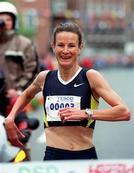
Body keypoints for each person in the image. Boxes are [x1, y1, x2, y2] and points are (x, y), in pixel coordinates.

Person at [4, 22, 130, 160]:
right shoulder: (44, 78)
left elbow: (124, 112)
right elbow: (26, 95)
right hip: (53, 157)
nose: (65, 51)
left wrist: (85, 113)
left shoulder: (90, 77)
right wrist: (11, 116)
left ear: (80, 47)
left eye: (71, 46)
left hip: (84, 156)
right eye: (60, 45)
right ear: (53, 46)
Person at [0, 1, 39, 100]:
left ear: (14, 21)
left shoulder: (24, 44)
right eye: (1, 20)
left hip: (15, 99)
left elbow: (32, 71)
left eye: (8, 19)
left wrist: (18, 90)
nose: (4, 23)